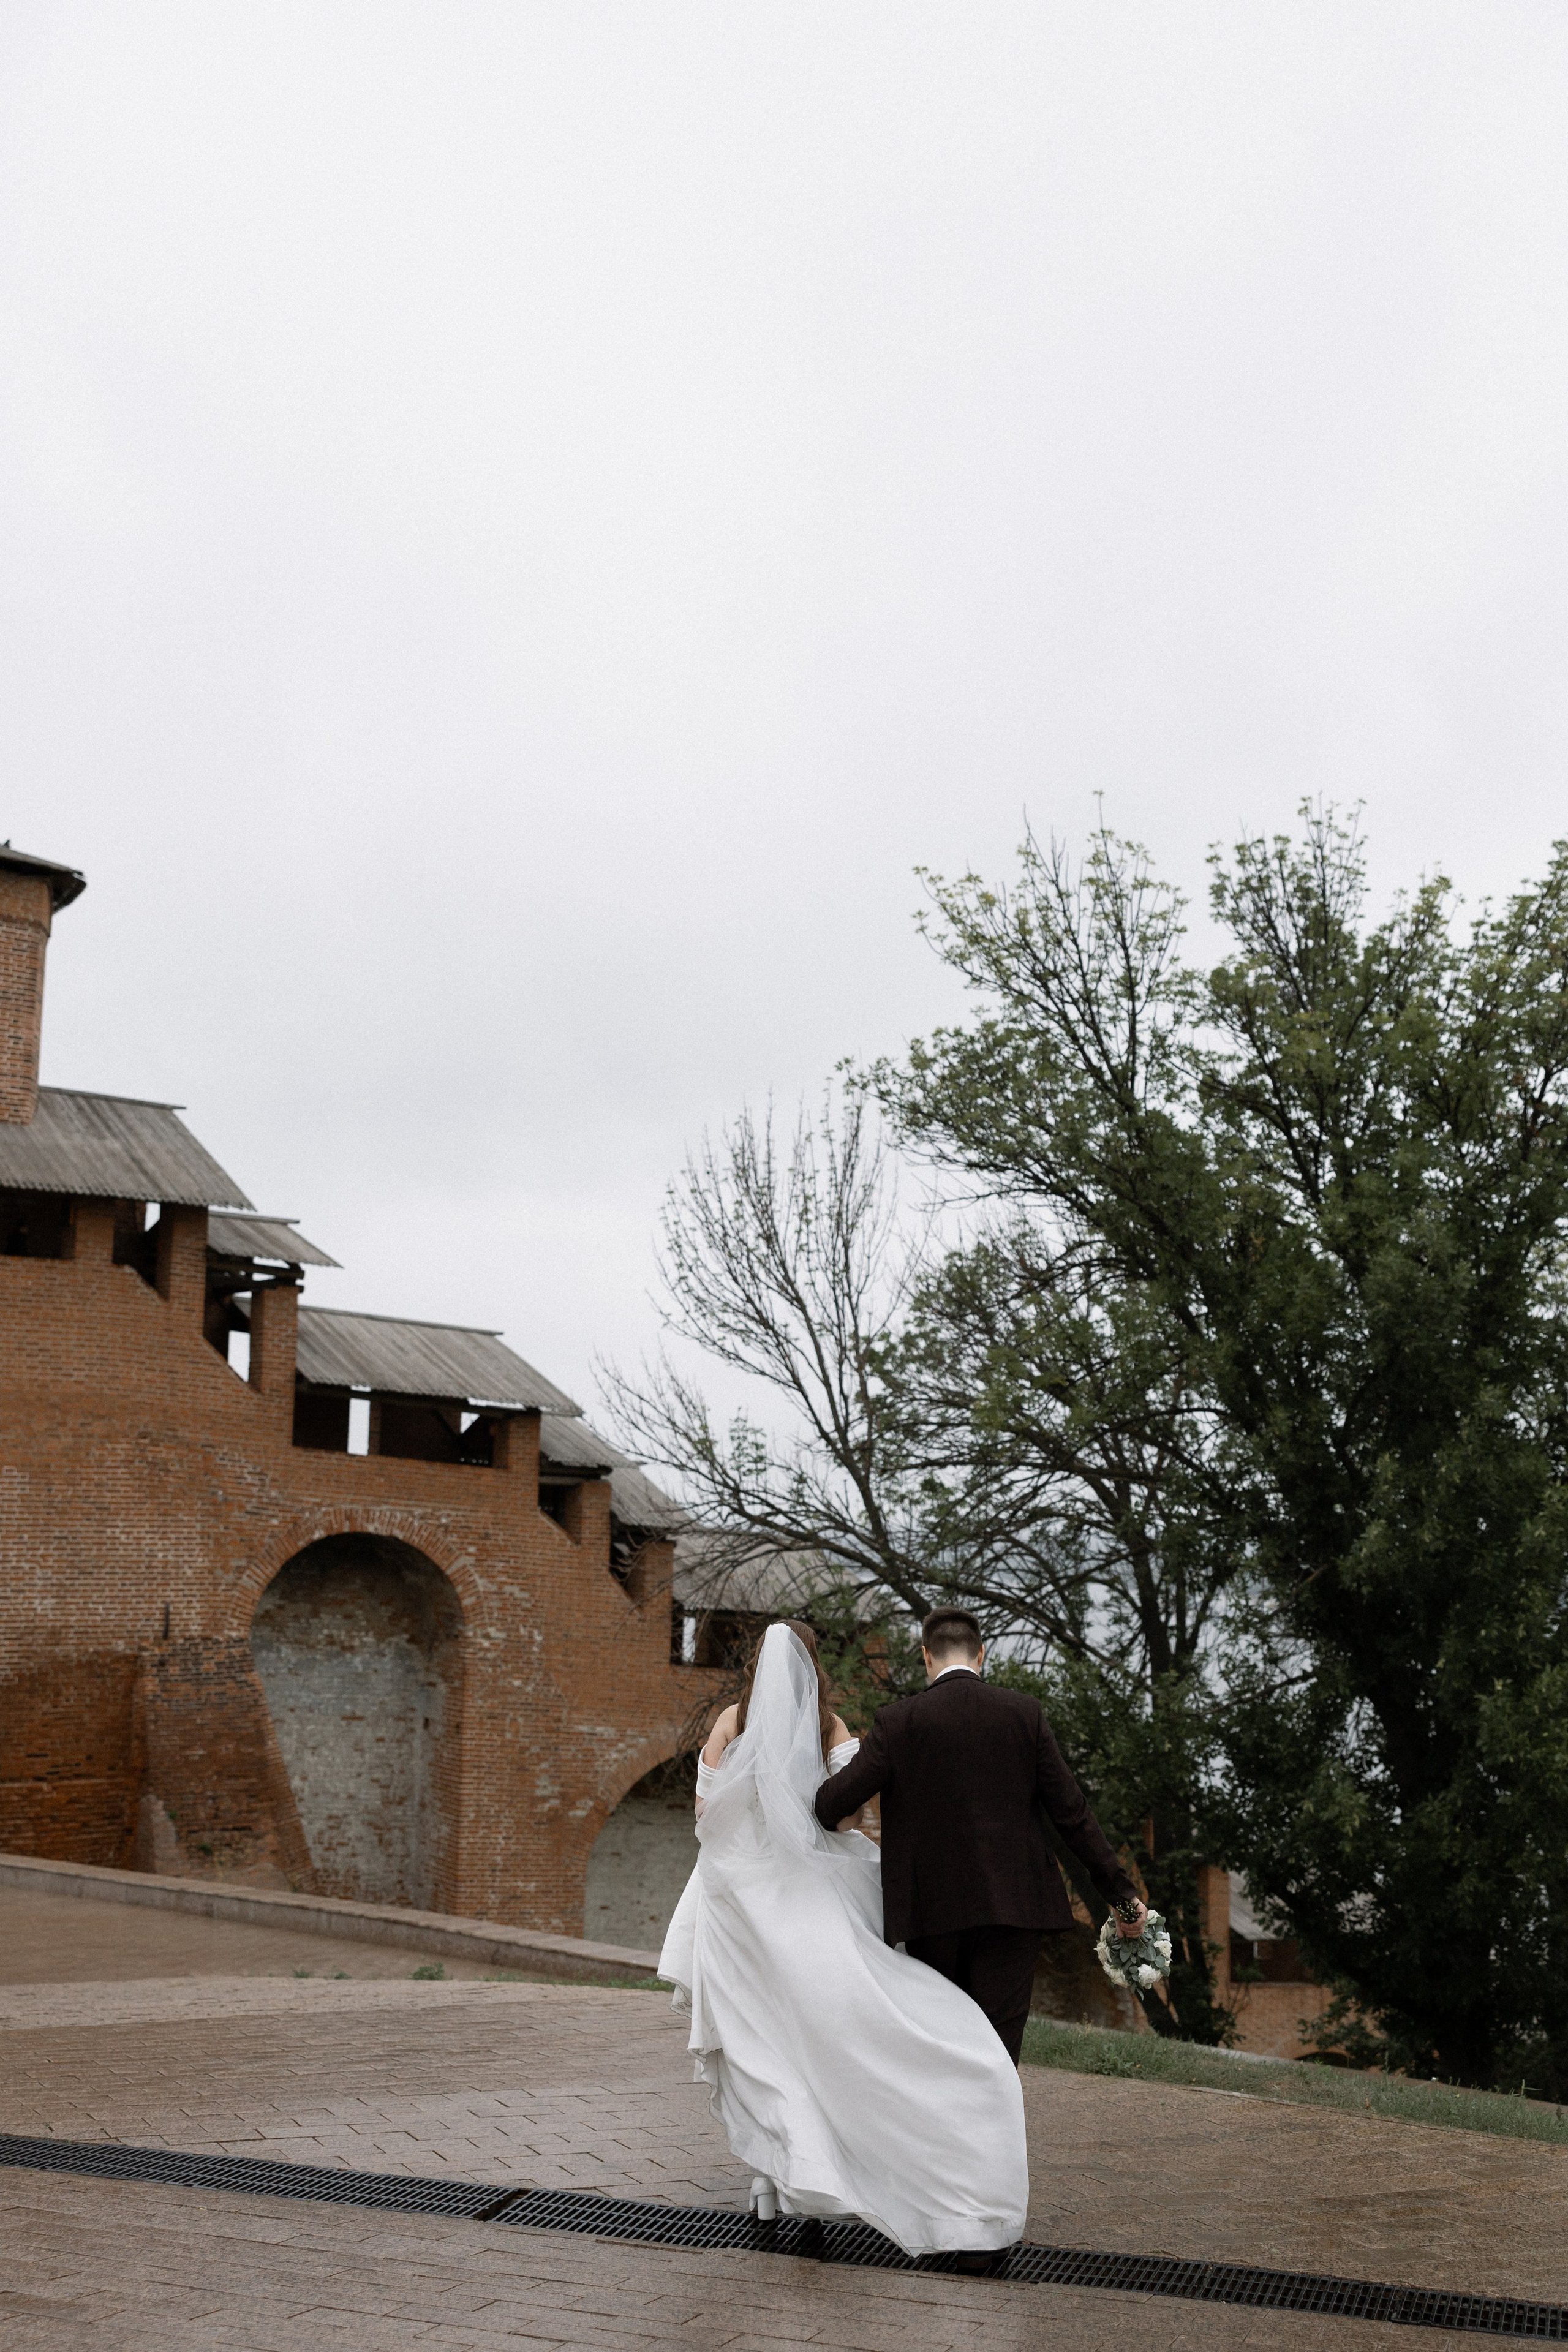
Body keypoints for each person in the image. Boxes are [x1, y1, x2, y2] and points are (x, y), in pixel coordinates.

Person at [658, 1619, 1029, 2264]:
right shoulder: (831, 1725)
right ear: (813, 1666)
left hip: (740, 1898)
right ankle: (835, 2163)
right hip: (809, 1891)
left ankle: (774, 2175)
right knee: (824, 2028)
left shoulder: (729, 1720)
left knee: (761, 2038)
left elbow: (704, 1810)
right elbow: (850, 1812)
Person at [813, 1606, 1147, 2064]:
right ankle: (998, 2134)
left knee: (942, 2045)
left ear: (926, 1656)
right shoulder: (1024, 1715)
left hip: (931, 1914)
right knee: (998, 2049)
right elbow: (1073, 1814)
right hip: (1013, 1910)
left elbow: (832, 1804)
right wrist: (1123, 1897)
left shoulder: (898, 1721)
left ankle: (944, 2134)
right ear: (982, 1653)